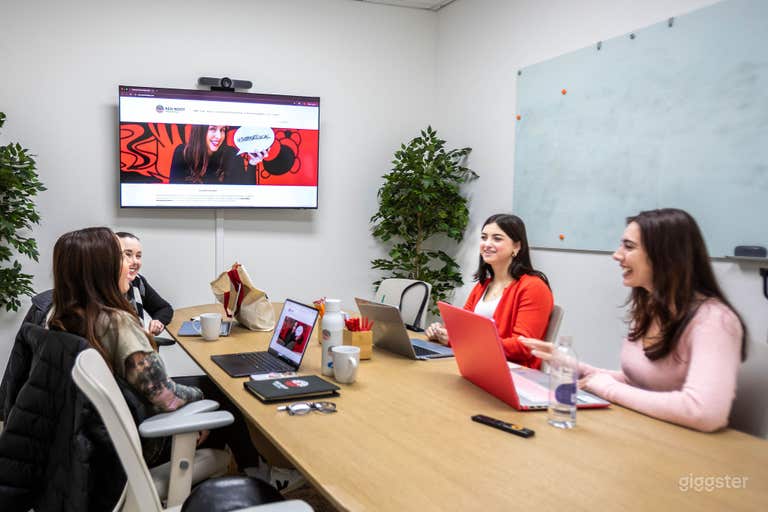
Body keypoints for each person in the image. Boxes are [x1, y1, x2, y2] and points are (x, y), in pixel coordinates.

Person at [46, 227, 267, 472]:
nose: (130, 265)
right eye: (120, 257)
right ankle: (258, 475)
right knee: (224, 393)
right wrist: (200, 400)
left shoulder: (62, 318)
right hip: (147, 440)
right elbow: (166, 397)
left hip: (101, 440)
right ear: (101, 269)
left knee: (211, 387)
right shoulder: (116, 323)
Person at [521, 208, 747, 432]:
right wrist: (575, 367)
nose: (617, 255)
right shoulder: (651, 307)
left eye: (629, 247)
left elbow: (704, 412)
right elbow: (639, 383)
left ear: (665, 255)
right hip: (645, 430)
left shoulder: (715, 320)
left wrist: (608, 389)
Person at [425, 213, 554, 369]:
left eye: (497, 239)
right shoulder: (483, 285)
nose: (487, 244)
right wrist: (441, 331)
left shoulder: (534, 287)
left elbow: (523, 346)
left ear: (516, 246)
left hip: (513, 372)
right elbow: (462, 326)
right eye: (484, 237)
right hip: (476, 364)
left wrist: (459, 341)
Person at [169, 124, 267, 184]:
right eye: (213, 129)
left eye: (222, 130)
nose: (219, 136)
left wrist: (252, 163)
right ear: (200, 131)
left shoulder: (231, 154)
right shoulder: (182, 153)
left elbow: (245, 192)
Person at [116, 231, 172, 336]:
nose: (135, 261)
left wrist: (158, 321)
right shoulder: (103, 287)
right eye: (128, 254)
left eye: (138, 256)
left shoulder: (137, 281)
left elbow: (164, 308)